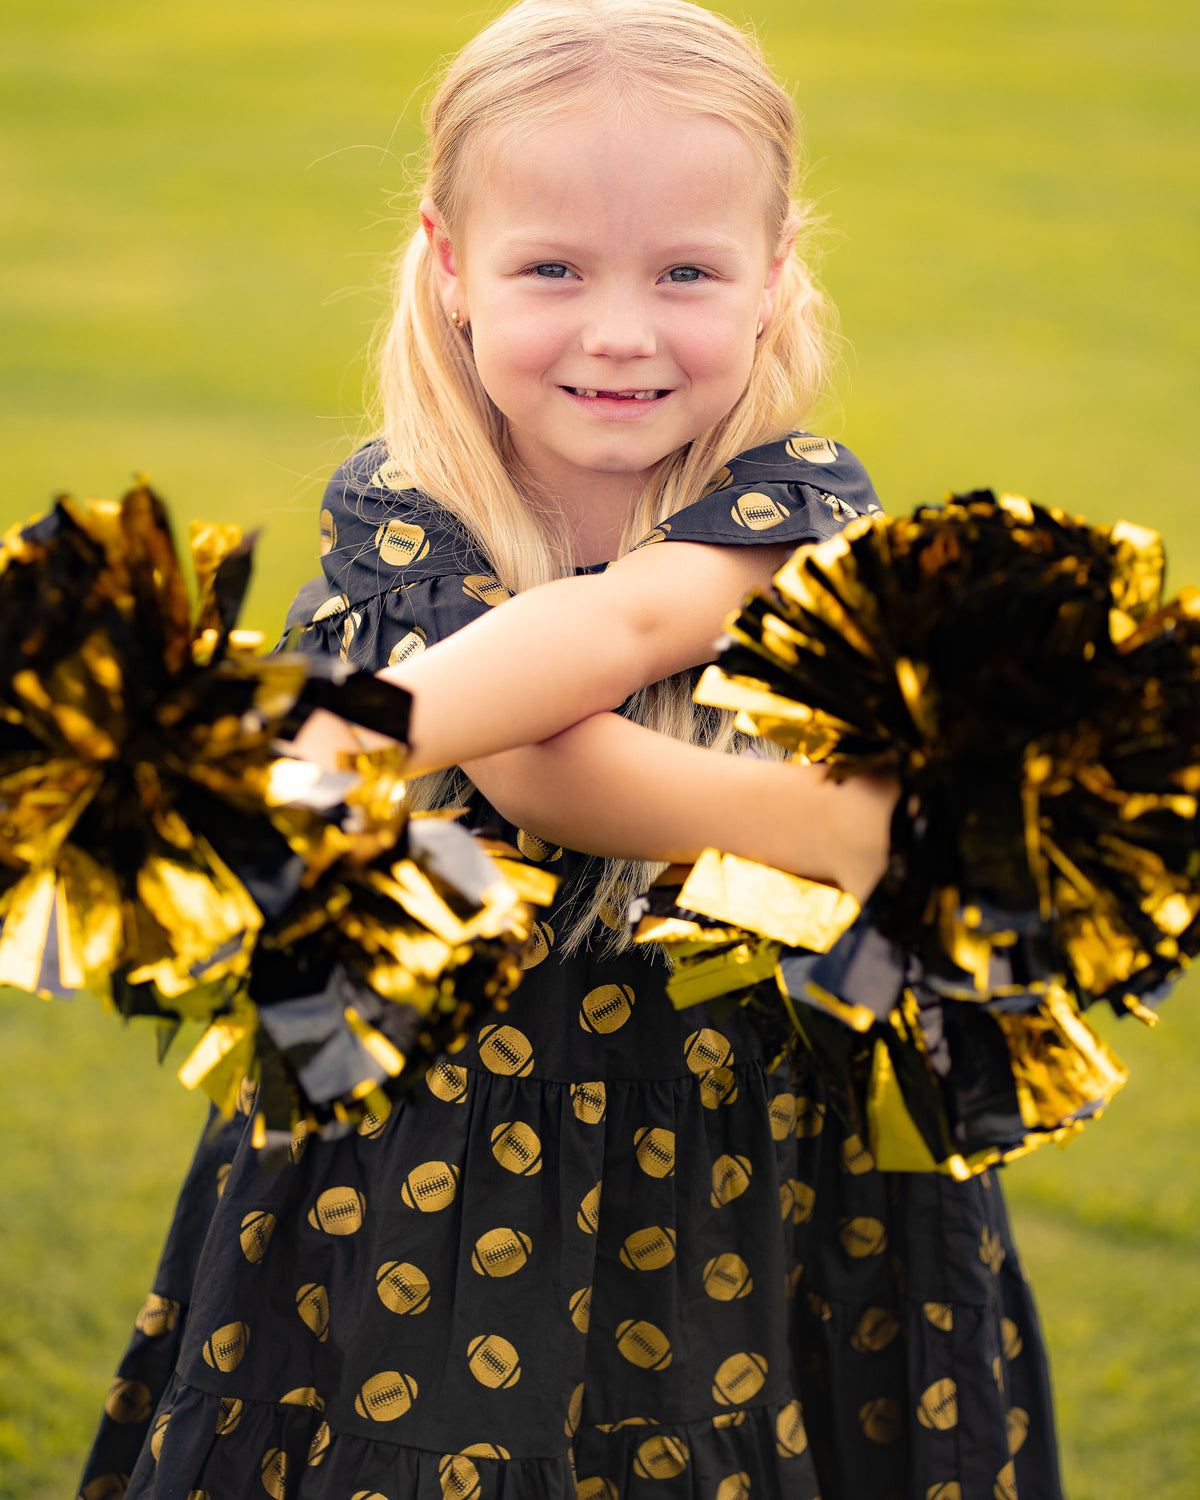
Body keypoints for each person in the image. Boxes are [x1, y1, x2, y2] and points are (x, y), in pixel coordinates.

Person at [80, 2, 1062, 1496]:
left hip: (743, 1138)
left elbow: (588, 674)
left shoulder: (791, 508)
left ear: (775, 272)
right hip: (448, 1147)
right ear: (452, 266)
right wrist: (841, 818)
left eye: (685, 271)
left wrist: (308, 754)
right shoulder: (401, 521)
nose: (620, 330)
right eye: (554, 268)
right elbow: (533, 756)